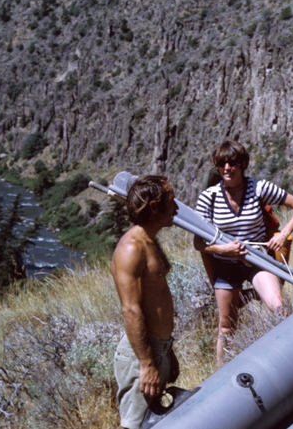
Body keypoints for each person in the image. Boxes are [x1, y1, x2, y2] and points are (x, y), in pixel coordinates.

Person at [193, 139, 293, 365]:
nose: (227, 168)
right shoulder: (209, 197)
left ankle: (292, 361)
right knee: (226, 328)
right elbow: (198, 243)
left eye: (232, 163)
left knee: (278, 308)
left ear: (242, 164)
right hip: (225, 265)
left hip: (256, 260)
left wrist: (283, 234)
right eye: (222, 163)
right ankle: (220, 375)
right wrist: (223, 249)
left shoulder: (258, 188)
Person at [111, 175, 180, 429]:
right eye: (171, 201)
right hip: (141, 355)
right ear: (154, 207)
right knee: (134, 426)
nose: (176, 208)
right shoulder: (131, 249)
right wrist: (147, 363)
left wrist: (167, 351)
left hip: (156, 349)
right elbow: (131, 310)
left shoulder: (150, 242)